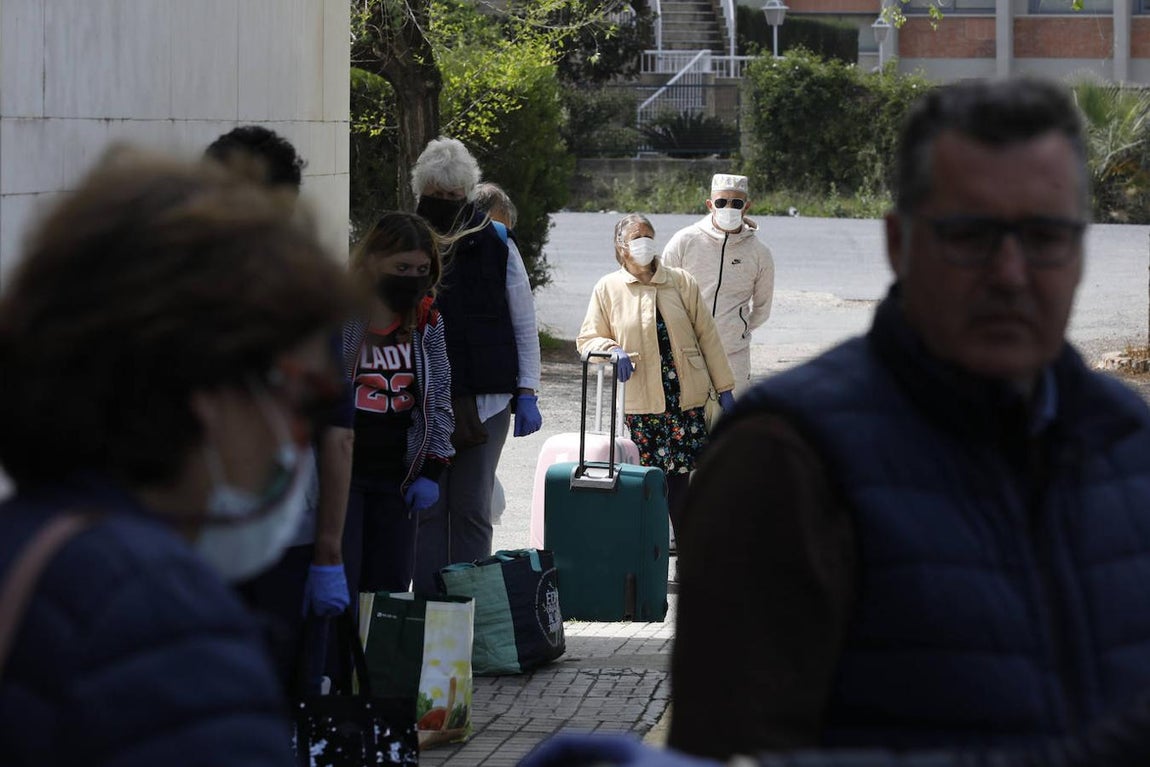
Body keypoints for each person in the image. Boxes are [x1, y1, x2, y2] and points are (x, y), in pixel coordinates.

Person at [670, 77, 1150, 760]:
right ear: (900, 244)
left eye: (1045, 235)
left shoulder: (1127, 442)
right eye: (970, 234)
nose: (1010, 272)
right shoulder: (785, 460)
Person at [0, 150, 350, 765]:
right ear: (208, 397)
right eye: (301, 396)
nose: (298, 437)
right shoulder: (162, 615)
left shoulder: (28, 547)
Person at [206, 126, 354, 692]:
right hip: (281, 542)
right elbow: (337, 436)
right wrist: (328, 554)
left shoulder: (158, 292)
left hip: (183, 543)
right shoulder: (307, 298)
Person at [409, 137, 543, 593]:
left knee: (471, 508)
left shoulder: (497, 242)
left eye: (452, 195)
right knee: (425, 513)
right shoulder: (404, 237)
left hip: (485, 402)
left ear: (466, 191)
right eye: (436, 194)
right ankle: (427, 613)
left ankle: (469, 616)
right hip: (417, 400)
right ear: (420, 190)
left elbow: (523, 321)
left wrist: (527, 391)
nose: (445, 203)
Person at [576, 214, 735, 537]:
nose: (644, 242)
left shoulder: (680, 282)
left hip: (683, 400)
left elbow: (708, 336)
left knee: (680, 488)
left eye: (648, 235)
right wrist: (611, 349)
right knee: (644, 488)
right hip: (641, 405)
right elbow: (587, 340)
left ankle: (690, 563)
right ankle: (647, 564)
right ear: (621, 248)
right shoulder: (608, 288)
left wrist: (725, 389)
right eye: (636, 237)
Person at [342, 211, 454, 595]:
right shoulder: (340, 315)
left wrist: (432, 470)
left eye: (421, 269)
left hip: (398, 478)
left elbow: (439, 398)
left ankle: (378, 657)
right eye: (401, 267)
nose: (412, 278)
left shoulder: (427, 322)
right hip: (343, 473)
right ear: (372, 262)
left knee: (388, 585)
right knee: (343, 580)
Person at [662, 173, 775, 396]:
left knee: (732, 425)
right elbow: (662, 290)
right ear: (710, 204)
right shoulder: (684, 241)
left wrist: (737, 330)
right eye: (722, 202)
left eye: (736, 203)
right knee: (688, 421)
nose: (729, 208)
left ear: (747, 206)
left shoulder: (759, 253)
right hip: (686, 350)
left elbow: (762, 307)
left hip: (733, 354)